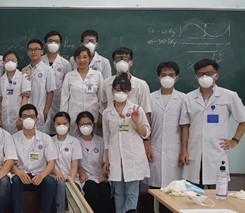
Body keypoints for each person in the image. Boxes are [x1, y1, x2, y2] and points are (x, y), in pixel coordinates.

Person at [179, 59, 245, 188]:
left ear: (217, 75)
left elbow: (244, 119)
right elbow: (185, 126)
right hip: (194, 154)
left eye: (210, 73)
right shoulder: (189, 98)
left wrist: (235, 140)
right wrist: (184, 150)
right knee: (193, 197)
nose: (205, 77)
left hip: (216, 154)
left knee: (217, 198)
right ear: (196, 77)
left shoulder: (229, 96)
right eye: (201, 74)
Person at [102, 73, 150, 213]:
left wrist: (136, 121)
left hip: (133, 156)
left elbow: (146, 133)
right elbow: (106, 138)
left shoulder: (136, 109)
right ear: (112, 91)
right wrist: (107, 160)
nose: (120, 93)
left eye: (124, 90)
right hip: (115, 156)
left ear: (129, 92)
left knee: (132, 192)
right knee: (118, 192)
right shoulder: (107, 112)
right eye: (117, 90)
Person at [10, 104, 57, 213]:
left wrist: (42, 175)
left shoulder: (46, 138)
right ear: (20, 119)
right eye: (25, 116)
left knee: (50, 182)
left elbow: (51, 162)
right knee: (15, 181)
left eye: (31, 116)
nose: (28, 119)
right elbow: (9, 162)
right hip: (21, 175)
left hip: (39, 175)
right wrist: (19, 173)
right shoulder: (13, 138)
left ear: (36, 119)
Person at [146, 61, 185, 189]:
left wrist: (184, 150)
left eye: (171, 74)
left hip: (175, 150)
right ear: (158, 77)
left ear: (176, 77)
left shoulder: (184, 99)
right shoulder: (150, 98)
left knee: (175, 189)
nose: (167, 77)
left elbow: (185, 127)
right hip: (155, 148)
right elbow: (147, 126)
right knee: (155, 188)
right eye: (164, 75)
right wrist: (147, 146)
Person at [60, 46, 104, 136]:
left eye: (85, 57)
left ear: (90, 58)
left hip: (92, 116)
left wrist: (101, 115)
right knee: (74, 142)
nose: (82, 60)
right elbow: (64, 98)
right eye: (79, 57)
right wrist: (63, 117)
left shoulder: (97, 75)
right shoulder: (69, 76)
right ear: (75, 60)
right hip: (73, 117)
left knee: (92, 142)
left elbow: (101, 97)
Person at [75, 111, 113, 213]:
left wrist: (103, 174)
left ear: (93, 124)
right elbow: (73, 162)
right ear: (77, 126)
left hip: (99, 175)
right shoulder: (74, 142)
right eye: (82, 124)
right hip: (84, 177)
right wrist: (81, 173)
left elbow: (105, 161)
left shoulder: (101, 141)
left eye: (88, 124)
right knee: (90, 189)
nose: (85, 127)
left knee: (104, 189)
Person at [100, 47, 151, 118]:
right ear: (114, 63)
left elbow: (146, 112)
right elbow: (104, 103)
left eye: (126, 59)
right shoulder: (106, 83)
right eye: (118, 59)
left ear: (131, 63)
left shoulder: (141, 85)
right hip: (113, 125)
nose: (122, 62)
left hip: (134, 126)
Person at [41, 31, 73, 135]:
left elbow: (68, 88)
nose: (53, 44)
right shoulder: (39, 61)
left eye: (56, 42)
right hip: (41, 104)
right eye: (50, 41)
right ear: (45, 43)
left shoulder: (65, 64)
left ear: (60, 45)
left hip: (58, 104)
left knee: (57, 133)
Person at [22, 39, 56, 133]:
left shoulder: (48, 70)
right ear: (27, 52)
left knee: (41, 141)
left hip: (41, 111)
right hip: (27, 111)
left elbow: (50, 92)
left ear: (42, 51)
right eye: (31, 49)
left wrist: (45, 111)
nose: (33, 52)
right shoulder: (24, 70)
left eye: (37, 49)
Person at [51, 112, 82, 212]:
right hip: (54, 177)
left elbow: (74, 165)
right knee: (59, 184)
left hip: (71, 178)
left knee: (67, 187)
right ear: (54, 125)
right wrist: (57, 174)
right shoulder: (49, 141)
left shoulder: (74, 142)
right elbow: (49, 163)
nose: (61, 126)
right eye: (58, 124)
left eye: (64, 123)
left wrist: (70, 180)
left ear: (69, 125)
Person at [0, 51, 31, 134]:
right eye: (7, 60)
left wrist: (22, 118)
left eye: (13, 60)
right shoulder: (1, 80)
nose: (10, 62)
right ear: (3, 63)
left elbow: (25, 98)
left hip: (18, 118)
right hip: (5, 118)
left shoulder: (24, 77)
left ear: (17, 63)